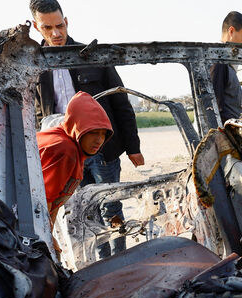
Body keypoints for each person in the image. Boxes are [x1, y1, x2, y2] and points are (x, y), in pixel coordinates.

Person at [30, 0, 142, 258]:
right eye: (48, 28)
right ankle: (102, 261)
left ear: (66, 22)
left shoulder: (92, 57)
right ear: (37, 27)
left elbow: (120, 102)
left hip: (102, 148)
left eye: (60, 26)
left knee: (110, 205)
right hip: (65, 153)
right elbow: (36, 114)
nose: (56, 33)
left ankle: (121, 259)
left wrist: (133, 147)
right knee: (84, 212)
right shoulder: (35, 66)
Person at [37, 91, 112, 232]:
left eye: (103, 134)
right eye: (93, 132)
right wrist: (47, 238)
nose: (99, 140)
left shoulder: (66, 138)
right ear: (77, 127)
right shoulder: (65, 150)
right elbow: (42, 203)